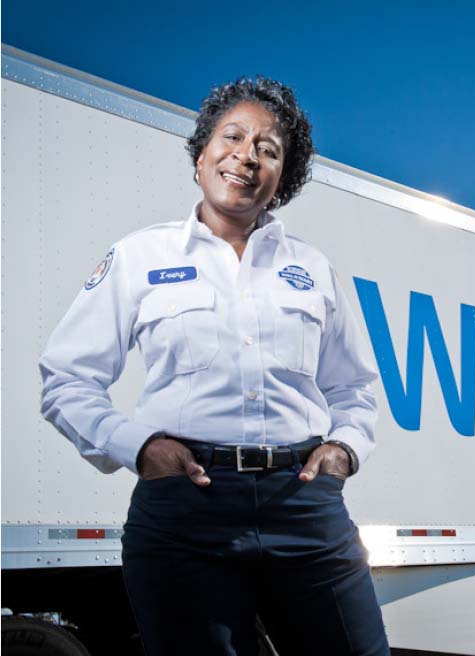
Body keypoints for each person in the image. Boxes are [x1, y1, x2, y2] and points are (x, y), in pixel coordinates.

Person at [39, 76, 390, 656]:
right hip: (184, 510)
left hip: (303, 504)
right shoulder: (139, 257)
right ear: (202, 153)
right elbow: (67, 379)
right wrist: (140, 447)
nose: (247, 156)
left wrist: (344, 449)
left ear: (283, 178)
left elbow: (354, 385)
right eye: (233, 137)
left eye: (268, 150)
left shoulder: (313, 268)